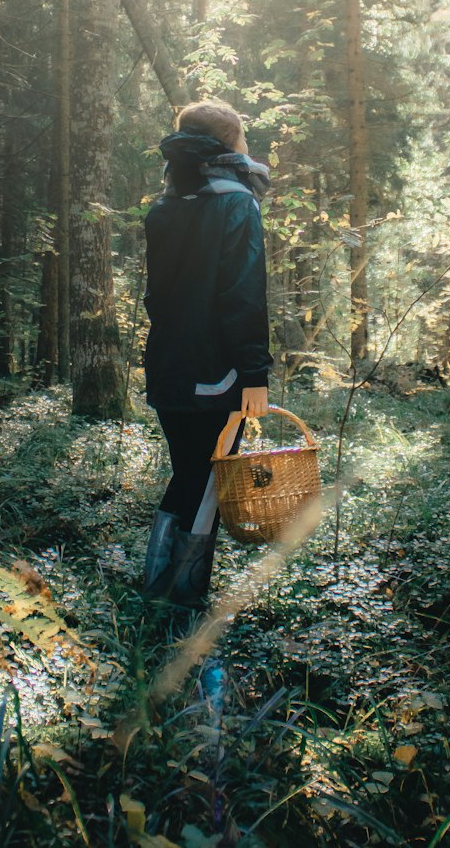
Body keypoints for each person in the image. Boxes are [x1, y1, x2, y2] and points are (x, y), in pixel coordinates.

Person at [141, 99, 273, 609]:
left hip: (169, 364)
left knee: (189, 473)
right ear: (229, 145)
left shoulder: (166, 205)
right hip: (218, 371)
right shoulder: (237, 203)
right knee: (210, 479)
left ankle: (161, 590)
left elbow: (159, 297)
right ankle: (181, 599)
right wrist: (254, 373)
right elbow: (242, 294)